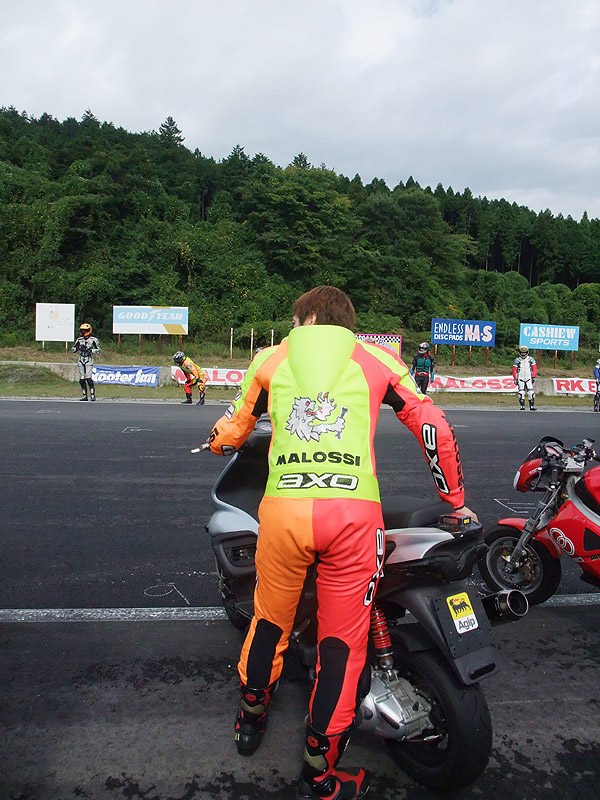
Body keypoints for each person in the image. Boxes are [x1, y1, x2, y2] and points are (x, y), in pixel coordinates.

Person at [205, 286, 476, 799]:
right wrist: (455, 499)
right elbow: (434, 426)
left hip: (284, 512)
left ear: (307, 317)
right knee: (342, 647)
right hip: (354, 519)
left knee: (268, 622)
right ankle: (320, 772)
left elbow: (235, 428)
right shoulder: (379, 359)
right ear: (346, 321)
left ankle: (250, 719)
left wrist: (217, 441)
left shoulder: (269, 357)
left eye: (295, 319)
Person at [71, 323, 100, 401]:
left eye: (85, 330)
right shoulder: (79, 340)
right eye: (82, 330)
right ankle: (84, 395)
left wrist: (90, 349)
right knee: (82, 379)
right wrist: (78, 348)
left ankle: (92, 394)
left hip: (88, 359)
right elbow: (73, 349)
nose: (83, 332)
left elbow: (98, 350)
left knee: (88, 378)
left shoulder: (93, 340)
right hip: (81, 359)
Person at [512, 345, 537, 411]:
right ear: (520, 352)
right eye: (522, 352)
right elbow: (514, 370)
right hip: (520, 378)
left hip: (529, 377)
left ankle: (532, 406)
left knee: (531, 392)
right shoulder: (517, 360)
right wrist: (515, 378)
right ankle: (522, 406)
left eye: (524, 352)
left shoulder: (531, 359)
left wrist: (533, 376)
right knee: (521, 392)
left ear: (527, 352)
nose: (523, 354)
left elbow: (534, 368)